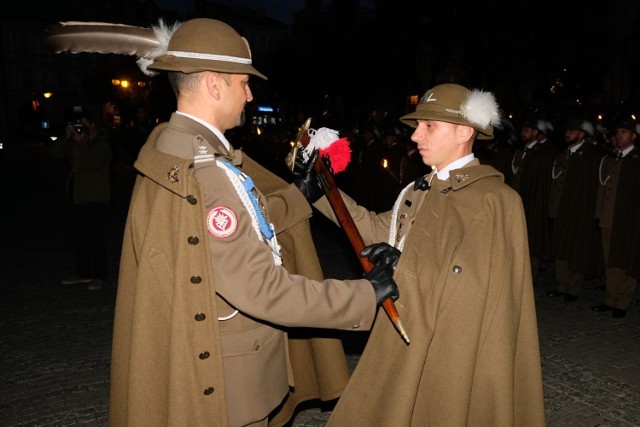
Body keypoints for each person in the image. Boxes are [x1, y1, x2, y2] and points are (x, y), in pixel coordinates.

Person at [108, 18, 399, 427]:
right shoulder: (206, 172)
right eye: (242, 82)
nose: (248, 95)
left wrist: (300, 194)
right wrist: (364, 295)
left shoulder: (179, 151)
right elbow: (263, 289)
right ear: (213, 84)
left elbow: (248, 219)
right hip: (228, 389)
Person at [296, 83, 545, 425]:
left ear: (463, 132)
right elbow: (375, 229)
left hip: (453, 349)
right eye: (417, 127)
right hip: (412, 332)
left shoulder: (496, 200)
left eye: (429, 126)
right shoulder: (420, 188)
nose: (415, 136)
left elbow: (480, 291)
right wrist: (322, 192)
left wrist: (406, 266)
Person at [47, 105, 112, 291]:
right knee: (77, 238)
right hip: (75, 195)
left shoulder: (102, 141)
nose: (78, 126)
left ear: (91, 123)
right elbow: (54, 153)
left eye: (81, 122)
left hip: (95, 197)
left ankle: (100, 275)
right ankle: (83, 273)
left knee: (95, 239)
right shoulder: (74, 140)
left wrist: (82, 143)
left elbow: (94, 164)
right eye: (75, 123)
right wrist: (66, 136)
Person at [547, 118, 605, 302]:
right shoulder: (564, 154)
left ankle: (573, 287)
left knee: (576, 248)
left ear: (582, 134)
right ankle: (562, 285)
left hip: (581, 211)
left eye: (572, 131)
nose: (568, 134)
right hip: (561, 209)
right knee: (561, 247)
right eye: (567, 130)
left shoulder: (592, 156)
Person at [591, 120, 639, 318]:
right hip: (607, 219)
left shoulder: (636, 159)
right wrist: (598, 214)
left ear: (634, 136)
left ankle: (622, 302)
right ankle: (610, 300)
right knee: (610, 261)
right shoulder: (611, 158)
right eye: (617, 132)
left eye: (624, 132)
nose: (619, 135)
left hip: (628, 220)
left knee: (627, 261)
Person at [511, 118, 559, 282]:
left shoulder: (543, 154)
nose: (523, 132)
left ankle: (528, 278)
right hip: (518, 202)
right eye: (523, 129)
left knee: (531, 241)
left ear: (537, 133)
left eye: (527, 129)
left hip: (533, 204)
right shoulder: (522, 151)